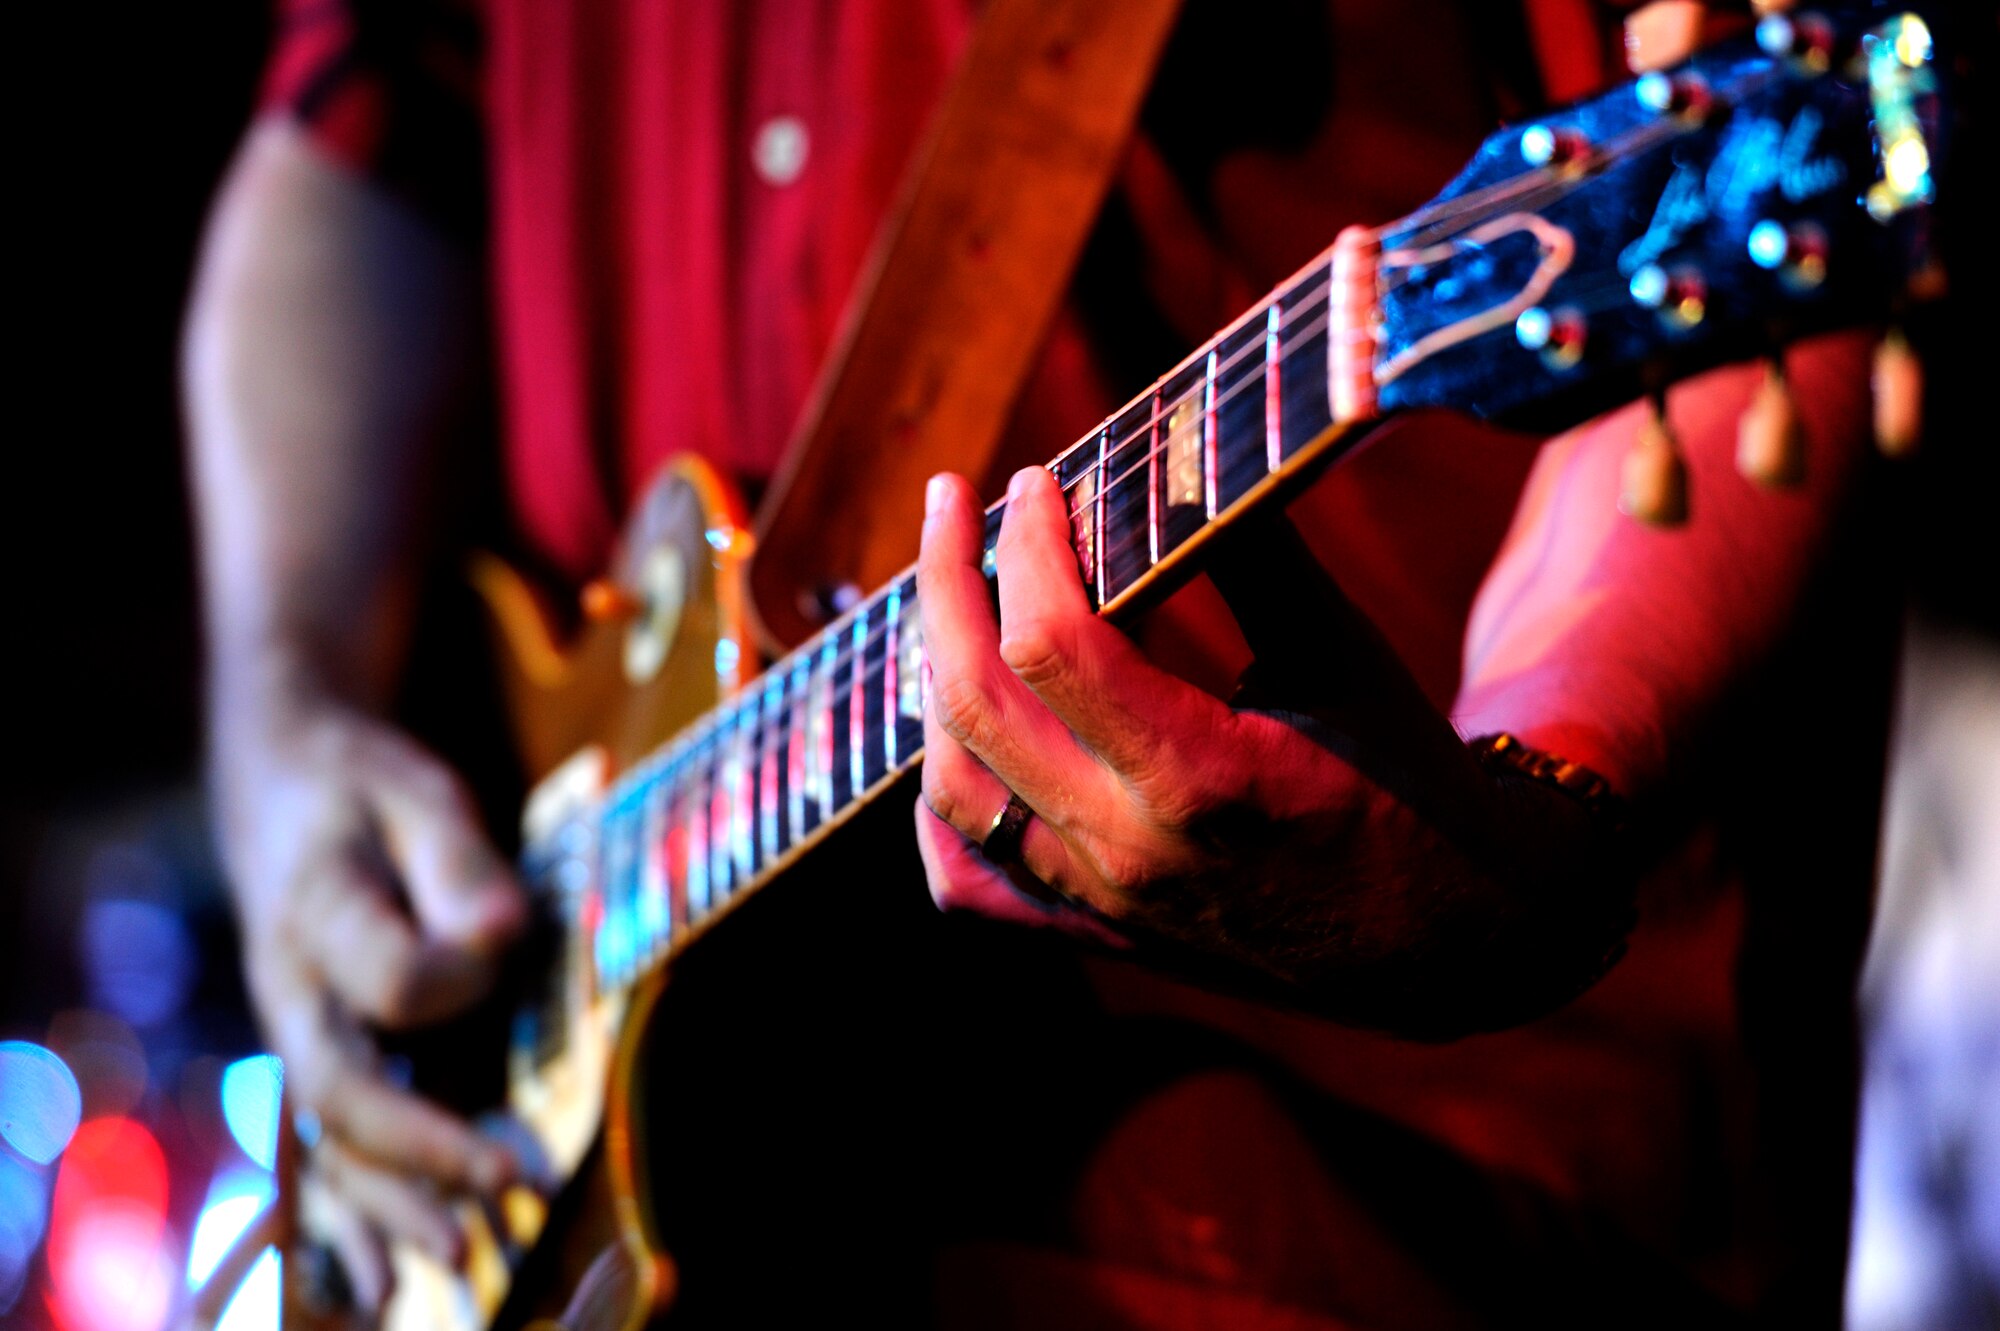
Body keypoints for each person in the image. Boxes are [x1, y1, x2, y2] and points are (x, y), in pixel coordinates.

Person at [183, 0, 1900, 1323]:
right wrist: (284, 715)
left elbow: (1714, 143)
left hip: (1374, 1224)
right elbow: (354, 137)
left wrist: (1522, 792)